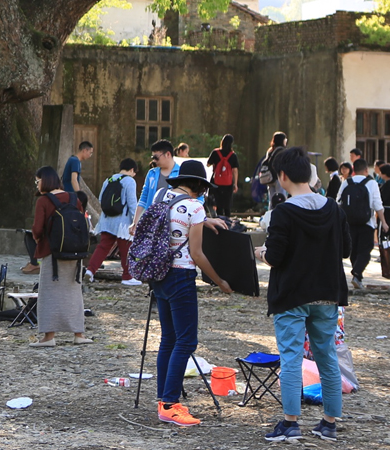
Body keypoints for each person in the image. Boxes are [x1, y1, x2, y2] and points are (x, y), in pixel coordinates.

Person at [252, 147, 348, 442]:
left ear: (282, 176)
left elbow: (276, 256)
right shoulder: (333, 208)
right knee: (327, 357)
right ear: (308, 173)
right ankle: (329, 423)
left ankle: (291, 423)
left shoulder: (284, 212)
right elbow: (345, 250)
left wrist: (261, 253)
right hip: (328, 295)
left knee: (291, 358)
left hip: (292, 296)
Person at [152, 159, 233, 427]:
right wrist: (219, 280)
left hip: (160, 274)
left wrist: (204, 220)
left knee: (169, 339)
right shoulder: (195, 207)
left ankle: (163, 399)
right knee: (186, 341)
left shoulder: (163, 197)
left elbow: (177, 226)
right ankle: (170, 404)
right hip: (181, 276)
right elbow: (197, 254)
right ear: (199, 185)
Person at [30, 166, 92, 347]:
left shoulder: (43, 201)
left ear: (45, 180)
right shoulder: (73, 197)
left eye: (38, 180)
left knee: (49, 293)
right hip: (75, 252)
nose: (37, 184)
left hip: (52, 252)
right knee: (73, 292)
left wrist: (37, 238)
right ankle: (79, 334)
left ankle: (49, 337)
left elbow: (37, 229)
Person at [86, 158, 140, 286]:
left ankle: (90, 271)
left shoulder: (108, 180)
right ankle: (127, 276)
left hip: (107, 220)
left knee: (103, 247)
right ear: (132, 170)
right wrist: (136, 221)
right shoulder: (130, 181)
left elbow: (101, 199)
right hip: (123, 223)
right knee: (126, 249)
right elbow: (132, 203)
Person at [337, 158, 386, 288]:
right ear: (366, 170)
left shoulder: (346, 182)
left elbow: (338, 202)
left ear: (353, 170)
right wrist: (384, 222)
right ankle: (357, 273)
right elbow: (377, 204)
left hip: (349, 223)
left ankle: (357, 276)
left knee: (354, 250)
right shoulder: (372, 183)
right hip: (367, 223)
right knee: (365, 250)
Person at [205, 134, 239, 217]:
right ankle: (227, 222)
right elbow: (235, 170)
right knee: (227, 204)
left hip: (216, 181)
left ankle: (219, 221)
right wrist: (235, 184)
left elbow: (208, 164)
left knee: (217, 203)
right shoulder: (233, 155)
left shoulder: (215, 153)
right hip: (228, 182)